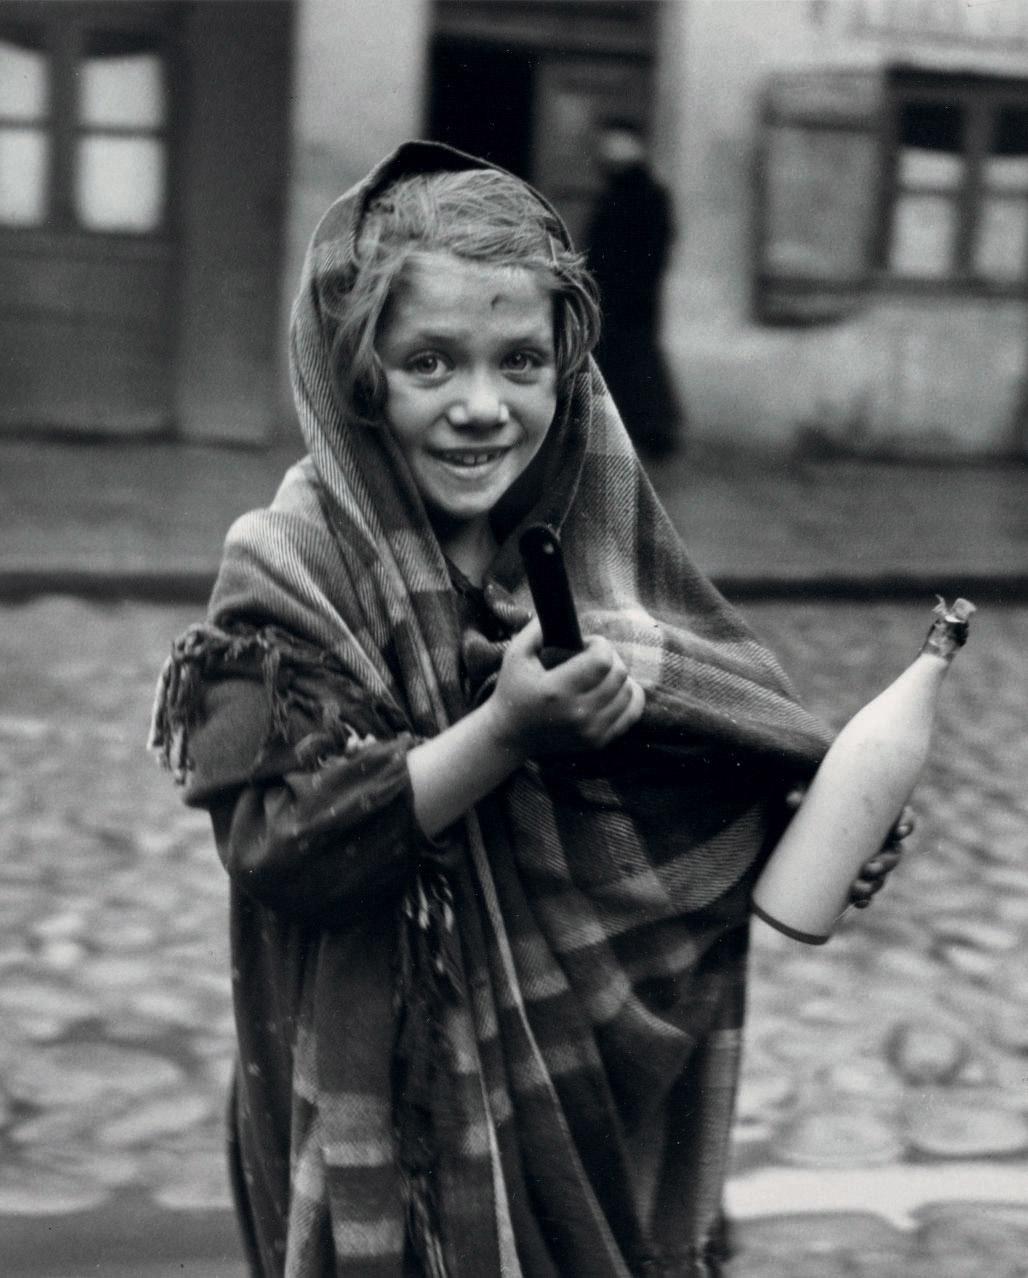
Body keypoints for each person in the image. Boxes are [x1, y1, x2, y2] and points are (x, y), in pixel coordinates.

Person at [150, 142, 903, 1278]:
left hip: (575, 1103)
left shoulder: (598, 557)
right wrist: (501, 733)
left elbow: (656, 802)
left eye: (521, 363)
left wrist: (805, 831)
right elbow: (281, 845)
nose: (481, 408)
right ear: (362, 374)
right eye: (430, 364)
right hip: (383, 1106)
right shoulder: (291, 566)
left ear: (569, 369)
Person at [586, 120, 682, 459]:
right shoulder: (615, 191)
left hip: (632, 293)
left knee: (637, 357)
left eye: (617, 145)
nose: (608, 153)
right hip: (610, 291)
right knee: (617, 358)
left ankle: (655, 430)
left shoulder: (648, 195)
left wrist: (631, 284)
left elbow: (655, 246)